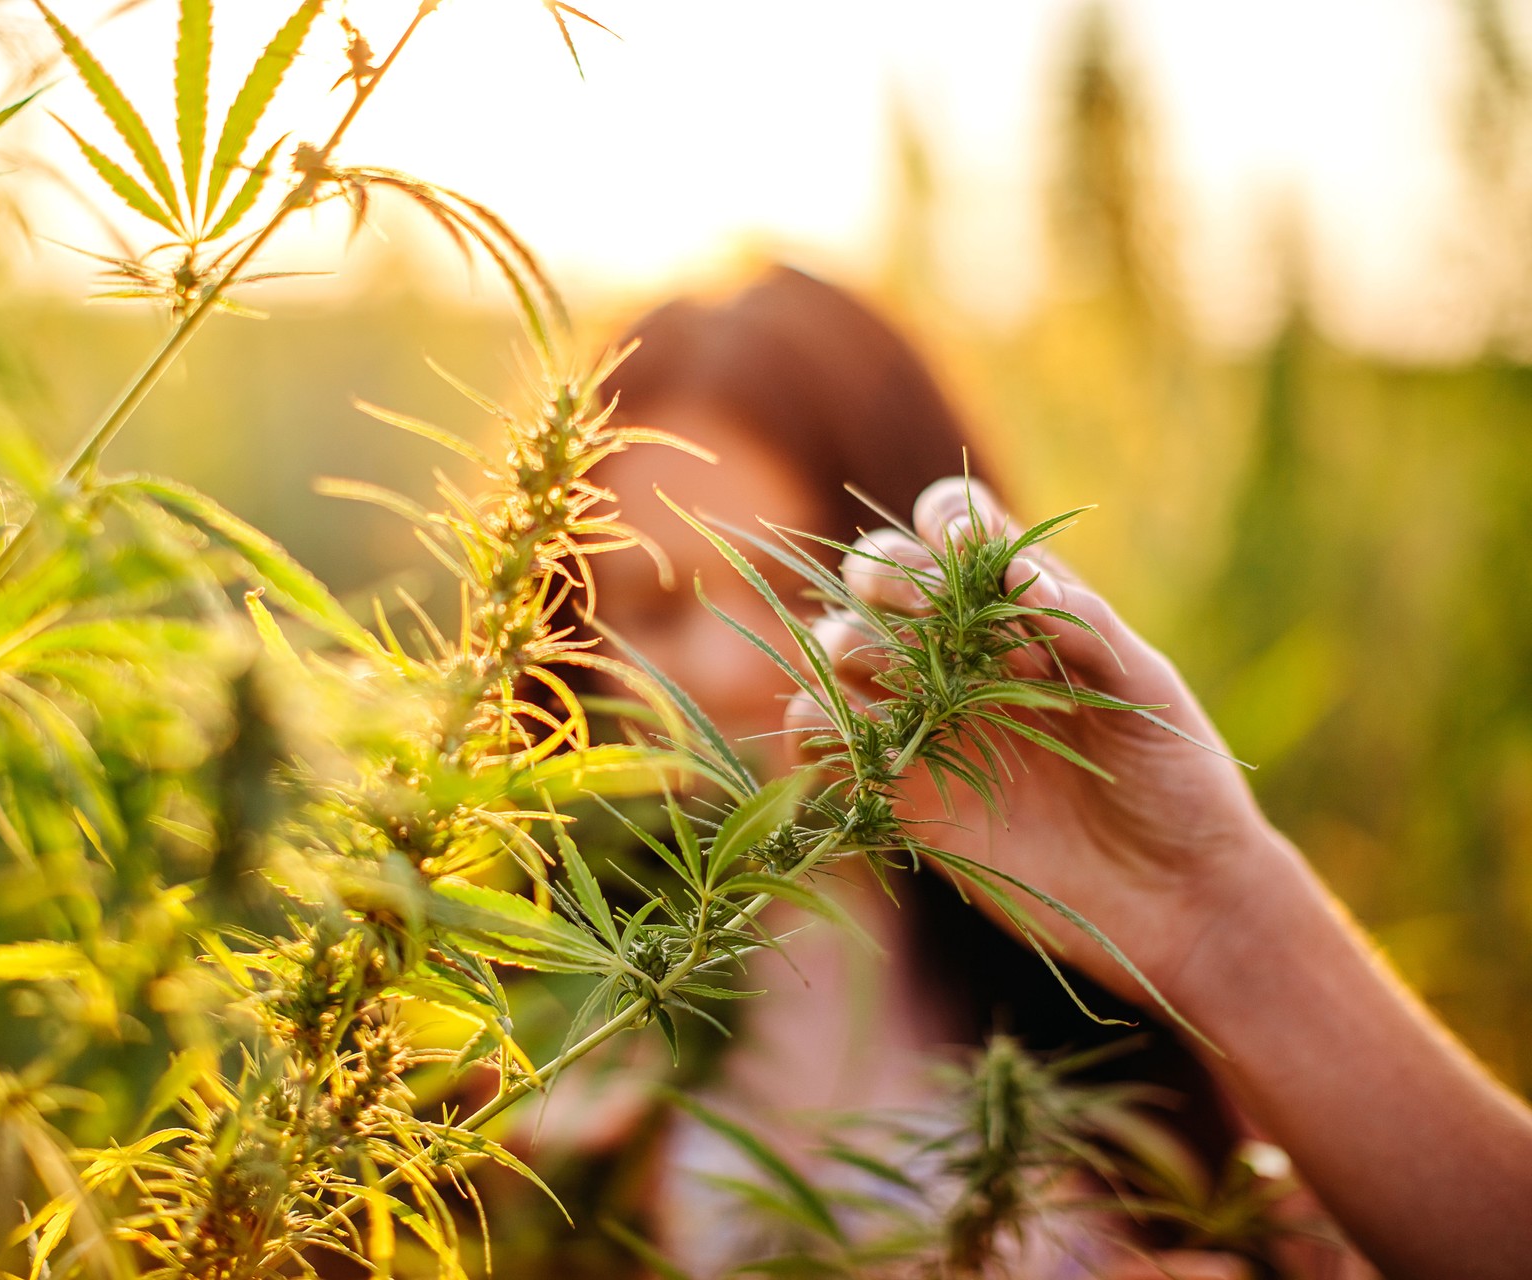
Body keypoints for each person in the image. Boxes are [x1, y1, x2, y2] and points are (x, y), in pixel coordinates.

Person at [580, 267, 1532, 1279]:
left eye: (784, 584)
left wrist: (1221, 910)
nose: (724, 670)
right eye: (650, 605)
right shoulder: (522, 999)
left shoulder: (1091, 978)